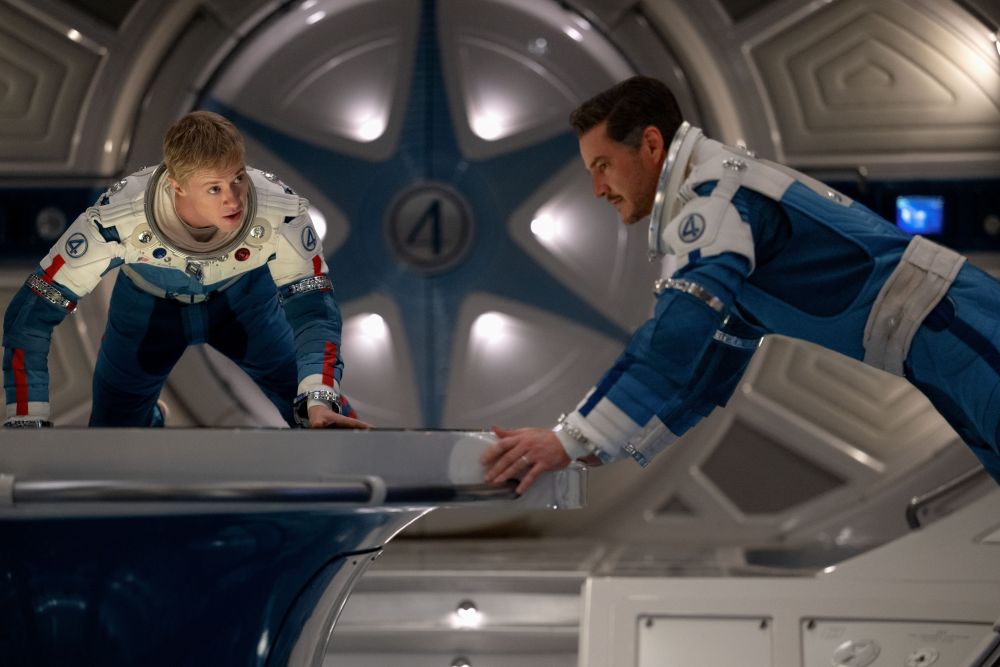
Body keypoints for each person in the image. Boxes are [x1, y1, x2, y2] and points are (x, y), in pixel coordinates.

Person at [482, 75, 1000, 493]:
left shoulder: (718, 196)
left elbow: (681, 330)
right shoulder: (722, 205)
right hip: (939, 348)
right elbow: (704, 374)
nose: (598, 188)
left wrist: (573, 437)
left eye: (603, 166)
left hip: (957, 327)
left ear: (652, 145)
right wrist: (599, 447)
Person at [3, 111, 367, 429]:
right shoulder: (118, 217)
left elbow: (314, 310)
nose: (233, 198)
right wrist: (26, 420)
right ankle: (147, 420)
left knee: (321, 418)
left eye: (238, 178)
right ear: (177, 186)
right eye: (214, 188)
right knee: (113, 435)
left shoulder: (279, 208)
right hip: (147, 310)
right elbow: (30, 316)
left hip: (245, 304)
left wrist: (321, 396)